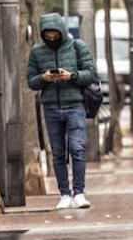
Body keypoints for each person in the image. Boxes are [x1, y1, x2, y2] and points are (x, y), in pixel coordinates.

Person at [25, 13, 98, 210]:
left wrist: (71, 76)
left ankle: (79, 192)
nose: (51, 38)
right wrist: (44, 78)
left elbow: (91, 74)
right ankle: (64, 194)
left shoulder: (77, 46)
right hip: (51, 108)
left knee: (77, 149)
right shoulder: (36, 51)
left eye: (54, 34)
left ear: (61, 31)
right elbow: (30, 80)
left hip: (75, 105)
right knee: (57, 153)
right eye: (47, 35)